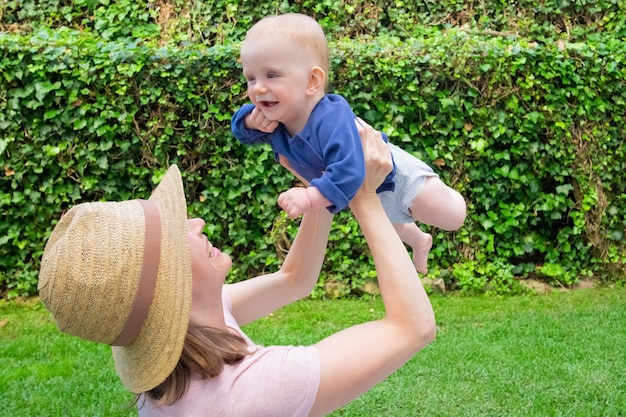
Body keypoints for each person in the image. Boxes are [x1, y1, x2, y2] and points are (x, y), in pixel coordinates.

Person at [38, 120, 436, 416]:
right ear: (167, 282)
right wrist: (365, 197)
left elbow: (293, 280)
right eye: (180, 231)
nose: (197, 224)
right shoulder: (246, 391)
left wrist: (323, 192)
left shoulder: (187, 335)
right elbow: (412, 327)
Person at [232, 13, 467, 274]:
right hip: (360, 191)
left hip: (395, 175)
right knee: (392, 222)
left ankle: (451, 190)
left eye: (272, 75)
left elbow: (349, 170)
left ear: (312, 81)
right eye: (251, 78)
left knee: (451, 217)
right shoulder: (275, 119)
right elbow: (242, 131)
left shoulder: (330, 116)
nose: (258, 89)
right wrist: (251, 122)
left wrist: (310, 197)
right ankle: (420, 241)